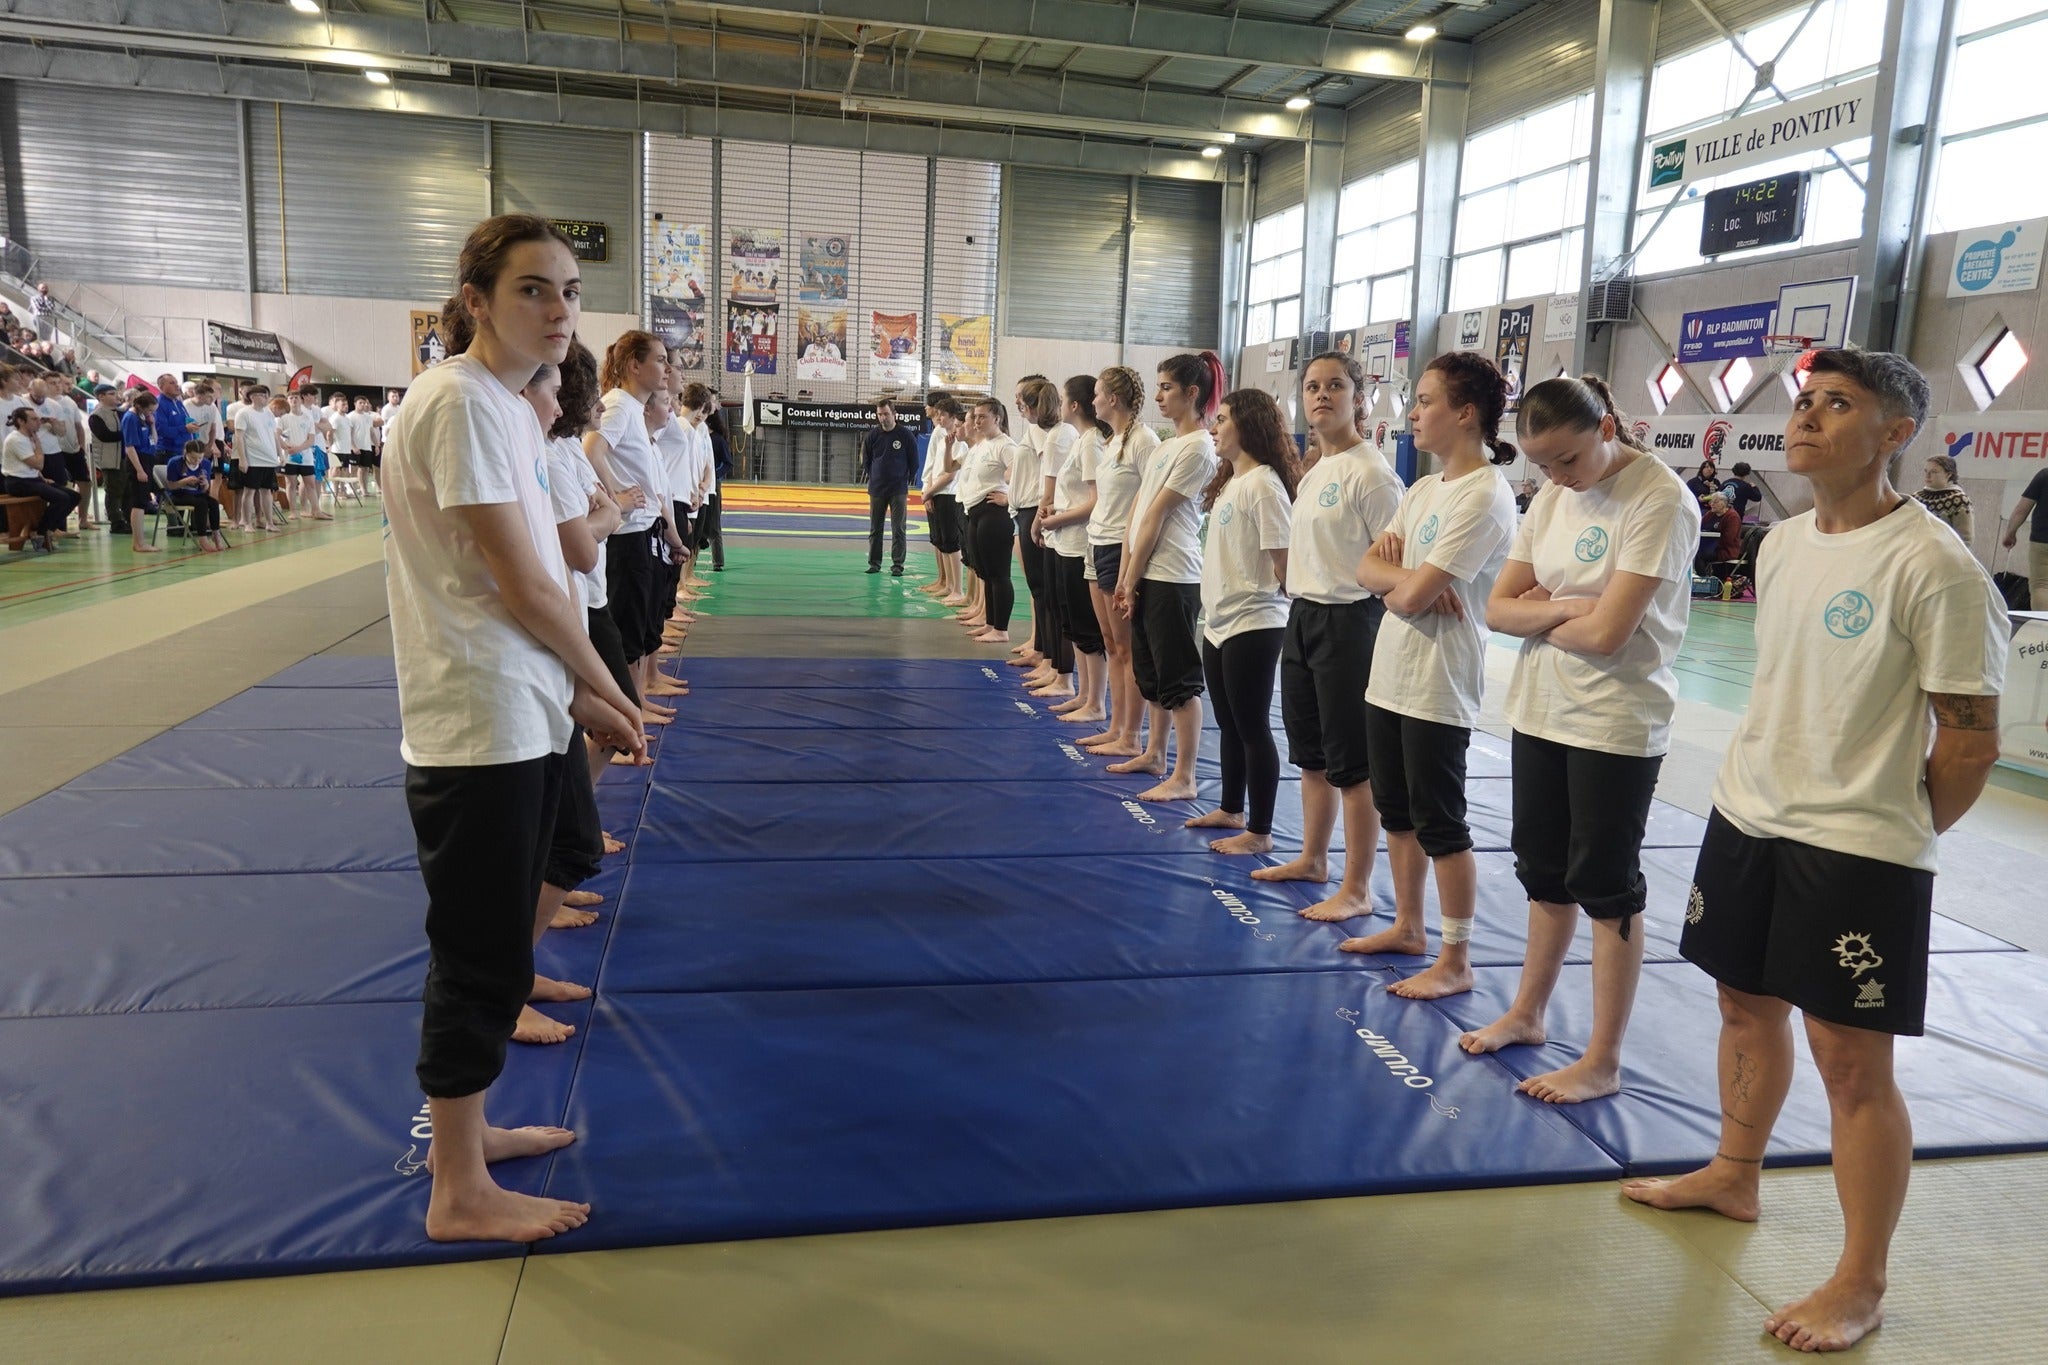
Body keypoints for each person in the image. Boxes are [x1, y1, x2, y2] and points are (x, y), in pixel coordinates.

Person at [1623, 350, 2007, 1354]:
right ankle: (1733, 1174)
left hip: (1857, 848)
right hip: (1747, 814)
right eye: (1801, 400)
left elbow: (1966, 740)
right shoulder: (1785, 544)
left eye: (1836, 404)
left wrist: (1893, 835)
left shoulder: (1932, 566)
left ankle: (1859, 1278)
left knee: (1851, 1067)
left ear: (1892, 435)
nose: (1804, 416)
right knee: (1741, 1005)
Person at [384, 213, 644, 1245]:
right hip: (477, 719)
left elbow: (532, 577)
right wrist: (601, 684)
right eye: (534, 289)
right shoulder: (459, 402)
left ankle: (469, 1134)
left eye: (571, 291)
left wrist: (574, 690)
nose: (559, 310)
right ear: (477, 301)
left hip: (516, 703)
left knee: (512, 918)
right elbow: (522, 580)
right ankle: (457, 1190)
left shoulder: (499, 406)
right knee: (478, 956)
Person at [1457, 375, 1698, 1104]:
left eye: (1568, 459)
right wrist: (1567, 606)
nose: (1558, 478)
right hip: (1541, 709)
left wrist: (1547, 609)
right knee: (1545, 874)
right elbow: (1497, 610)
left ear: (1608, 426)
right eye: (1544, 466)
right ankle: (1528, 1012)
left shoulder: (1657, 498)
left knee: (1606, 886)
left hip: (1614, 720)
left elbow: (1609, 632)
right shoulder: (1556, 496)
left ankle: (1603, 1056)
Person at [1347, 351, 1518, 997]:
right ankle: (1409, 925)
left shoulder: (1486, 495)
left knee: (1440, 819)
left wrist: (1402, 585)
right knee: (1397, 810)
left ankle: (1457, 956)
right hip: (1389, 670)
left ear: (1465, 413)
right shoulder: (1421, 489)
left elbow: (1410, 594)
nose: (1413, 413)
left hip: (1439, 680)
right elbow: (1367, 571)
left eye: (1424, 401)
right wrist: (1404, 582)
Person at [1250, 351, 1403, 917]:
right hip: (1305, 617)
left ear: (1357, 398)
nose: (1322, 395)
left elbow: (1393, 561)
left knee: (1352, 765)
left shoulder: (1372, 473)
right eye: (1312, 386)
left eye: (1335, 386)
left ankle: (1358, 888)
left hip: (1351, 621)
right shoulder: (1314, 470)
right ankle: (1314, 858)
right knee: (1311, 756)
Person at [1186, 387, 1296, 853]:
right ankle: (1232, 808)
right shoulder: (1234, 480)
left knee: (1252, 726)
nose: (1215, 426)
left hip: (1255, 620)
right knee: (1228, 723)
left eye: (1224, 418)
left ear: (1247, 426)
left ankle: (1261, 830)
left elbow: (1286, 564)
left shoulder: (1265, 484)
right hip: (1220, 620)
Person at [1110, 352, 1222, 802]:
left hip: (1172, 575)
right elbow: (1135, 513)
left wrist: (1131, 579)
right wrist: (1124, 574)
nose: (1158, 395)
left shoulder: (1198, 447)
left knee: (1178, 680)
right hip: (1144, 571)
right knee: (1150, 673)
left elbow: (1157, 516)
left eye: (1167, 388)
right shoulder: (1164, 444)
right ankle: (1154, 753)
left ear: (1192, 394)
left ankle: (1186, 774)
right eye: (1157, 386)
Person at [585, 331, 682, 730]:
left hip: (642, 533)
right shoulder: (620, 406)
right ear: (633, 366)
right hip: (626, 539)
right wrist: (613, 496)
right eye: (659, 360)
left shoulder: (630, 410)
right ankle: (630, 708)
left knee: (639, 625)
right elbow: (591, 449)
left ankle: (638, 700)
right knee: (627, 630)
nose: (666, 369)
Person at [1078, 366, 1160, 757]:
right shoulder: (1111, 442)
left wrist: (1131, 567)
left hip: (1118, 548)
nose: (1092, 400)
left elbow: (1150, 506)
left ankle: (1131, 735)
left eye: (1097, 394)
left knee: (1127, 649)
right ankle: (1116, 726)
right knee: (1110, 644)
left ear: (1113, 399)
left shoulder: (1145, 441)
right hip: (1098, 544)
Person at [1035, 375, 1109, 722]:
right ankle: (1083, 694)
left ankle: (1095, 702)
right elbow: (1074, 494)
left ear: (1074, 405)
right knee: (1072, 623)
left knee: (1086, 628)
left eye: (1064, 399)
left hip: (1079, 543)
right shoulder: (1082, 441)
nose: (1060, 406)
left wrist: (1060, 518)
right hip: (1065, 541)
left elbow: (1097, 501)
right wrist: (1056, 513)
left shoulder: (1092, 442)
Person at [1019, 378, 1079, 699]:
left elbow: (1051, 487)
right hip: (1054, 522)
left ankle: (1059, 668)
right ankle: (1053, 664)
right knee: (1050, 600)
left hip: (1057, 525)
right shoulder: (1061, 435)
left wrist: (1040, 522)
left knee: (1055, 603)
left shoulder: (1060, 437)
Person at [955, 397, 1017, 645]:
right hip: (975, 513)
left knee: (999, 574)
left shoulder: (1006, 445)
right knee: (986, 573)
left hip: (994, 514)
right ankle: (990, 622)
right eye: (976, 416)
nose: (977, 421)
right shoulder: (981, 445)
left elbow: (1025, 477)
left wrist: (1009, 497)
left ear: (997, 419)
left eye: (983, 417)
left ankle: (1001, 629)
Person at [1007, 374, 1052, 670]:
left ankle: (1044, 648)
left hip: (1033, 509)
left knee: (1042, 587)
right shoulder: (1032, 431)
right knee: (1036, 586)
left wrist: (1039, 514)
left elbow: (1049, 472)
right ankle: (1038, 640)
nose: (1017, 402)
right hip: (1024, 509)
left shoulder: (1041, 432)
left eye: (1020, 397)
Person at [3, 403, 77, 549]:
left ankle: (46, 529)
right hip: (18, 482)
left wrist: (42, 478)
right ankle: (41, 532)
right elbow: (38, 464)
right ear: (21, 422)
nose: (39, 422)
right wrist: (38, 444)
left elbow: (35, 468)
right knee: (61, 498)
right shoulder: (16, 439)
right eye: (34, 419)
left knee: (74, 496)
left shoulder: (29, 437)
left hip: (32, 479)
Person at [860, 398, 918, 575]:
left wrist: (903, 478)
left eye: (885, 414)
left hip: (898, 489)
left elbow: (914, 462)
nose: (882, 417)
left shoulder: (905, 435)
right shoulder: (872, 436)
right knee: (875, 528)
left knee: (898, 528)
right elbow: (866, 460)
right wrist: (876, 476)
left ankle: (897, 565)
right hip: (877, 489)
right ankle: (874, 563)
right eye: (879, 414)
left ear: (894, 414)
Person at [919, 394, 968, 600]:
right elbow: (934, 467)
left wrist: (929, 491)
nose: (939, 419)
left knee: (951, 543)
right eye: (937, 415)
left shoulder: (959, 443)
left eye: (942, 415)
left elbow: (950, 474)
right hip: (938, 492)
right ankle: (947, 584)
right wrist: (928, 488)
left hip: (949, 494)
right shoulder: (944, 440)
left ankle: (956, 588)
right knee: (941, 541)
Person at [117, 390, 164, 554]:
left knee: (143, 501)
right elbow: (129, 447)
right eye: (150, 410)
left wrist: (152, 424)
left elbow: (155, 441)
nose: (151, 413)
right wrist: (139, 470)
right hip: (138, 460)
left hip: (148, 457)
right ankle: (138, 542)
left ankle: (140, 541)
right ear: (139, 406)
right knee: (138, 502)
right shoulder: (130, 418)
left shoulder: (144, 418)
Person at [233, 385, 283, 531]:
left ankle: (269, 522)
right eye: (262, 395)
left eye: (267, 395)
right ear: (253, 396)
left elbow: (274, 435)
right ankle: (247, 522)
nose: (266, 398)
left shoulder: (268, 413)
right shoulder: (243, 413)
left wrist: (280, 454)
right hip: (253, 459)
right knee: (249, 491)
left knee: (267, 491)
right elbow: (239, 437)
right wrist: (242, 459)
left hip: (269, 458)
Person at [164, 439, 228, 551]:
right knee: (201, 503)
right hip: (178, 494)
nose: (196, 461)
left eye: (200, 458)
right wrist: (185, 481)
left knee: (213, 502)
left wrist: (205, 484)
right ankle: (202, 538)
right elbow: (170, 486)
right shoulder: (175, 463)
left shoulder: (206, 464)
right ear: (186, 453)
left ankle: (216, 534)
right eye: (193, 458)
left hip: (197, 494)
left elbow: (205, 489)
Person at [2003, 463, 2048, 608]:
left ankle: (2043, 626)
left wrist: (2010, 533)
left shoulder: (2044, 475)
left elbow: (2021, 510)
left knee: (2041, 586)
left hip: (2042, 541)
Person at [87, 384, 128, 534]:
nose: (116, 396)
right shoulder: (96, 415)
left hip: (123, 456)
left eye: (116, 393)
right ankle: (116, 521)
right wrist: (127, 433)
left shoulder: (120, 412)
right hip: (109, 459)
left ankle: (126, 518)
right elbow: (105, 436)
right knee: (113, 490)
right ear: (101, 396)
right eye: (111, 394)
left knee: (125, 490)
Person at [1908, 453, 1971, 547]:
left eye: (1934, 472)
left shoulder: (1958, 500)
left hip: (1943, 554)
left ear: (1948, 474)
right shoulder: (1915, 497)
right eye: (1926, 471)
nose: (1927, 475)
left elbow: (1964, 539)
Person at [1697, 492, 1743, 575]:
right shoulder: (1710, 514)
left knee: (1699, 556)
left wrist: (1713, 542)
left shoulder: (1732, 517)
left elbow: (1729, 538)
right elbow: (1699, 525)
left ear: (1724, 503)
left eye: (1715, 502)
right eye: (1711, 502)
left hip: (1725, 550)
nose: (1712, 504)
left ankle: (1704, 582)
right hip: (1709, 547)